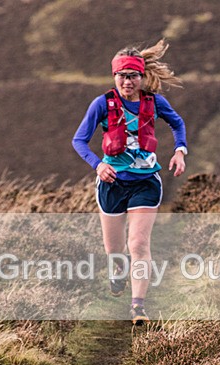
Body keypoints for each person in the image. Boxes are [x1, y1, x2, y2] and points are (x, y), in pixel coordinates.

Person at [72, 39, 187, 326]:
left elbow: (178, 123)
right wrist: (98, 166)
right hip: (111, 185)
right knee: (114, 250)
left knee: (138, 244)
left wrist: (180, 151)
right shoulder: (102, 104)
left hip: (145, 183)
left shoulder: (155, 102)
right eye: (122, 75)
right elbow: (79, 141)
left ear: (141, 77)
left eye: (133, 75)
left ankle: (138, 306)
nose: (127, 81)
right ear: (114, 76)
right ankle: (116, 273)